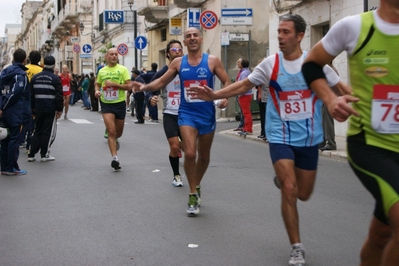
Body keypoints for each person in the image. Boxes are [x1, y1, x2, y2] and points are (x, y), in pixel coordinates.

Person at [188, 14, 349, 265]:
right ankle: (296, 246)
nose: (280, 37)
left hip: (308, 138)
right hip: (280, 135)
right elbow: (242, 86)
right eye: (279, 32)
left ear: (299, 36)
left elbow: (342, 89)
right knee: (289, 188)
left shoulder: (315, 64)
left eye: (286, 32)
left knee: (304, 193)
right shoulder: (270, 65)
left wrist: (361, 104)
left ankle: (286, 181)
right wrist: (214, 95)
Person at [302, 1, 399, 265]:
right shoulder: (355, 27)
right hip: (371, 145)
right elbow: (311, 65)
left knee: (382, 233)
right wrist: (331, 100)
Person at [132, 27, 230, 216]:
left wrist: (223, 97)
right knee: (190, 153)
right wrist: (144, 87)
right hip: (186, 114)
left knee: (204, 156)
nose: (192, 38)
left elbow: (227, 81)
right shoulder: (178, 63)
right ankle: (192, 193)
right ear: (184, 42)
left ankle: (197, 184)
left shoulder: (212, 61)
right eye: (188, 36)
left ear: (201, 39)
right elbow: (160, 82)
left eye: (195, 35)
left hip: (207, 114)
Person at [147, 39, 184, 187]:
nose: (177, 51)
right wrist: (151, 97)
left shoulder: (189, 68)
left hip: (187, 113)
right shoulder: (164, 71)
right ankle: (176, 175)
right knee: (174, 147)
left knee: (190, 149)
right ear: (168, 53)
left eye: (179, 49)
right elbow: (151, 87)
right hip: (170, 114)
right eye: (174, 50)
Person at [95, 48, 131, 171]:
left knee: (118, 133)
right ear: (107, 56)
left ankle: (115, 139)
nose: (114, 56)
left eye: (116, 54)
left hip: (120, 102)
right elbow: (97, 83)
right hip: (106, 103)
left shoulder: (123, 70)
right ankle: (115, 158)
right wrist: (97, 91)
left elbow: (129, 85)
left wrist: (114, 85)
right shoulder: (102, 71)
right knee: (111, 131)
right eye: (111, 54)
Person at [0, 48, 31, 175]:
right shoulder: (21, 75)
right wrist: (5, 106)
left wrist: (1, 107)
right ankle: (11, 167)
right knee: (14, 139)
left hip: (4, 111)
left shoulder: (4, 72)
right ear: (24, 60)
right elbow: (16, 93)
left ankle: (4, 166)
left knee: (5, 139)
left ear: (13, 58)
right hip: (16, 111)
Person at [28, 55, 63, 162]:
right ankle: (44, 154)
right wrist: (59, 109)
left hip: (38, 108)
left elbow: (31, 95)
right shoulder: (55, 78)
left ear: (43, 64)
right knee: (46, 131)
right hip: (50, 108)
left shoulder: (35, 78)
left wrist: (32, 108)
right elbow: (59, 96)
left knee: (37, 130)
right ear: (53, 65)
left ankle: (31, 154)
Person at [25, 50, 42, 153]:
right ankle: (33, 145)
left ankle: (27, 144)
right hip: (38, 99)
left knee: (28, 124)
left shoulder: (25, 68)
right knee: (36, 125)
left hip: (25, 98)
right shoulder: (41, 70)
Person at [236, 58, 253, 135]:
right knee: (245, 112)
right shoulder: (246, 72)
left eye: (239, 63)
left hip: (244, 95)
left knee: (246, 113)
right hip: (246, 94)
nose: (238, 64)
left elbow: (242, 85)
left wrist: (239, 93)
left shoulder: (244, 73)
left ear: (242, 64)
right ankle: (245, 127)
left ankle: (248, 128)